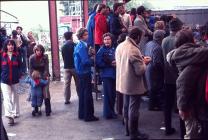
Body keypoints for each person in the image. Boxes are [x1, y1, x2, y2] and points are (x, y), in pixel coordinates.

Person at [167, 29, 208, 139]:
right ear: (191, 40)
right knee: (193, 133)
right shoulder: (197, 58)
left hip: (189, 101)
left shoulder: (178, 55)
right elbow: (182, 83)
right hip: (193, 102)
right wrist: (182, 107)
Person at [115, 27, 150, 139]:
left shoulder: (121, 45)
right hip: (133, 83)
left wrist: (141, 59)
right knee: (133, 109)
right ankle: (134, 134)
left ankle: (128, 131)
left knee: (126, 106)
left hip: (123, 82)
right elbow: (140, 70)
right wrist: (145, 62)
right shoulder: (133, 49)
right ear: (138, 37)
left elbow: (126, 61)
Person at [161, 18, 183, 135]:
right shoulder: (179, 40)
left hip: (167, 76)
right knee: (181, 104)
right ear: (179, 28)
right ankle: (183, 132)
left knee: (168, 104)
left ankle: (168, 128)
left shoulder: (164, 40)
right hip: (179, 77)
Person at [74, 27, 99, 122]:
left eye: (87, 34)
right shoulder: (81, 46)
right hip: (84, 72)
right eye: (85, 35)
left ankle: (82, 114)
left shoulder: (81, 45)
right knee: (87, 95)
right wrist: (93, 60)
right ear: (81, 36)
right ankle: (88, 116)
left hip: (81, 72)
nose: (87, 36)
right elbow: (85, 61)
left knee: (83, 94)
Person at [0, 39, 22, 125]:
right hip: (4, 80)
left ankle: (15, 113)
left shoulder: (17, 55)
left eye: (12, 45)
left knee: (15, 97)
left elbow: (21, 66)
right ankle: (9, 116)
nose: (10, 46)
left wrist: (19, 74)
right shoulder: (1, 55)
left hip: (15, 80)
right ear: (6, 46)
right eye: (9, 45)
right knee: (7, 98)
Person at [96, 33, 116, 119]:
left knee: (113, 95)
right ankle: (107, 114)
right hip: (106, 75)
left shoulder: (114, 48)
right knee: (108, 95)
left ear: (111, 40)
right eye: (105, 39)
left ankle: (112, 112)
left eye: (108, 39)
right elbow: (98, 63)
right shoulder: (101, 50)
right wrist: (110, 64)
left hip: (114, 75)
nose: (107, 41)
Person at [144, 30, 165, 111]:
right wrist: (163, 70)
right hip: (154, 70)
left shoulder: (149, 43)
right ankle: (153, 106)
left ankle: (152, 105)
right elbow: (157, 62)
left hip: (148, 67)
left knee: (151, 88)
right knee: (155, 88)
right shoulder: (158, 47)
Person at [29, 44, 51, 116]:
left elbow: (46, 67)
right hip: (35, 76)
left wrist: (45, 76)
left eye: (40, 50)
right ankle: (36, 108)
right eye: (37, 50)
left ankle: (48, 108)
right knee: (35, 92)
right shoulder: (31, 58)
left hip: (44, 76)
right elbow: (30, 69)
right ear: (35, 50)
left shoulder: (45, 57)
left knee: (46, 92)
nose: (39, 52)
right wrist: (33, 78)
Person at [61, 31, 79, 104]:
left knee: (66, 84)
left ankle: (66, 99)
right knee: (78, 83)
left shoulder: (63, 46)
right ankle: (80, 96)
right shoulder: (74, 45)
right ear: (71, 37)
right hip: (74, 67)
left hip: (66, 67)